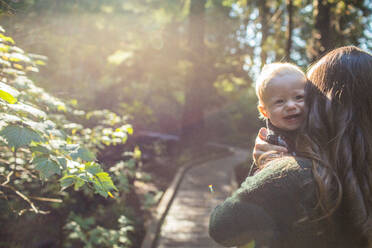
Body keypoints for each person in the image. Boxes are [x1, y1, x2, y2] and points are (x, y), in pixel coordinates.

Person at [209, 46, 372, 248]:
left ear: (322, 104)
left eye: (302, 97)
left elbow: (220, 227)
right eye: (280, 101)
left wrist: (264, 168)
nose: (293, 106)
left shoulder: (293, 176)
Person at [253, 63, 306, 168]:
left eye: (298, 97)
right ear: (264, 112)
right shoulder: (272, 143)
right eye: (279, 101)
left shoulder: (318, 128)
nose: (291, 106)